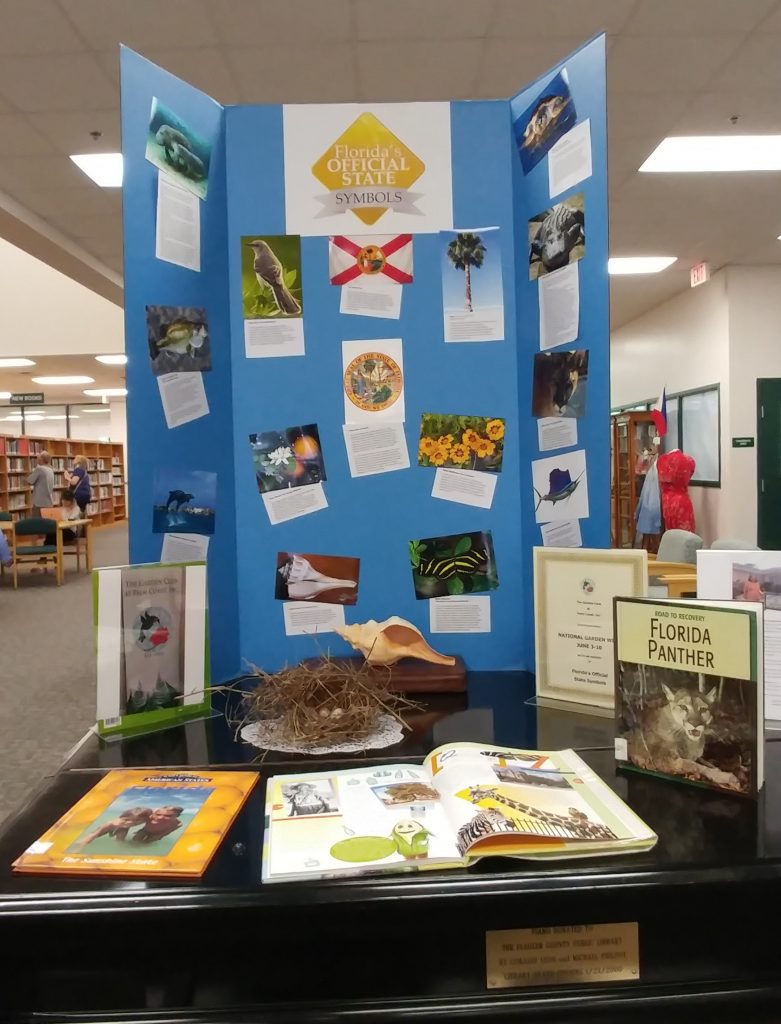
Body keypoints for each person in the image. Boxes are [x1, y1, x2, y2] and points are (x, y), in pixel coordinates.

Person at [27, 450, 54, 516]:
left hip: (39, 503)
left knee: (37, 523)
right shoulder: (50, 469)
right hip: (48, 502)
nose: (37, 458)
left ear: (42, 459)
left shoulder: (39, 469)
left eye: (38, 457)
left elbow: (29, 481)